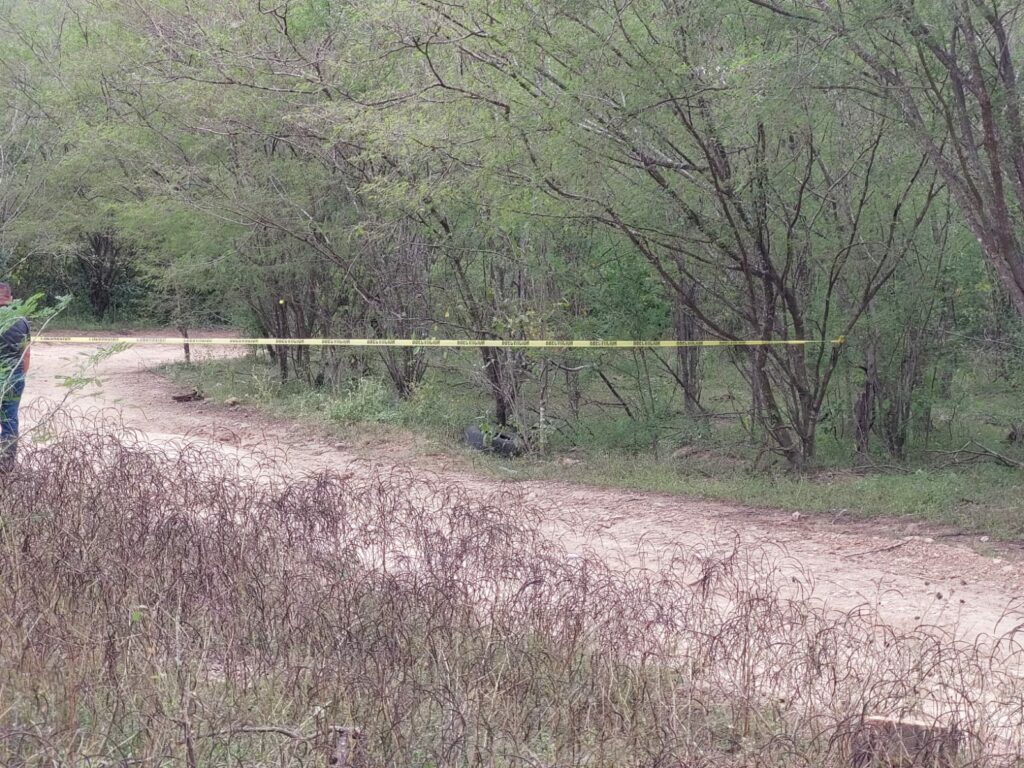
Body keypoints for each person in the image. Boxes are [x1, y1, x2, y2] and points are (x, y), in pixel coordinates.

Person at [0, 283, 30, 467]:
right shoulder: (22, 321)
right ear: (10, 298)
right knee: (10, 420)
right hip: (13, 376)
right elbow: (26, 354)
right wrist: (20, 376)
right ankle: (6, 465)